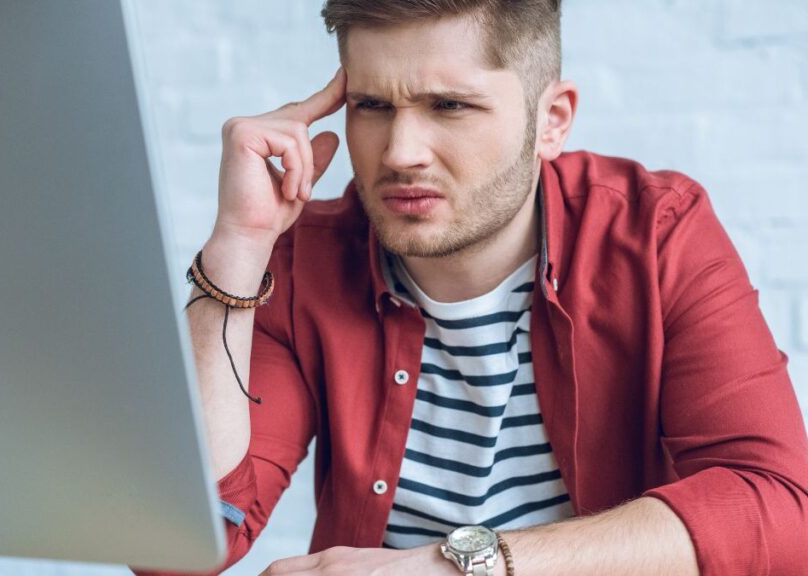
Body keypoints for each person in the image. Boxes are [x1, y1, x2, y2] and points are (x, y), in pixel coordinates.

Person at [134, 1, 808, 575]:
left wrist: (454, 564)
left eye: (448, 105)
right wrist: (237, 247)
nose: (400, 152)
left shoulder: (657, 232)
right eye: (371, 105)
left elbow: (779, 508)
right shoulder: (306, 256)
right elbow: (184, 547)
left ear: (553, 119)